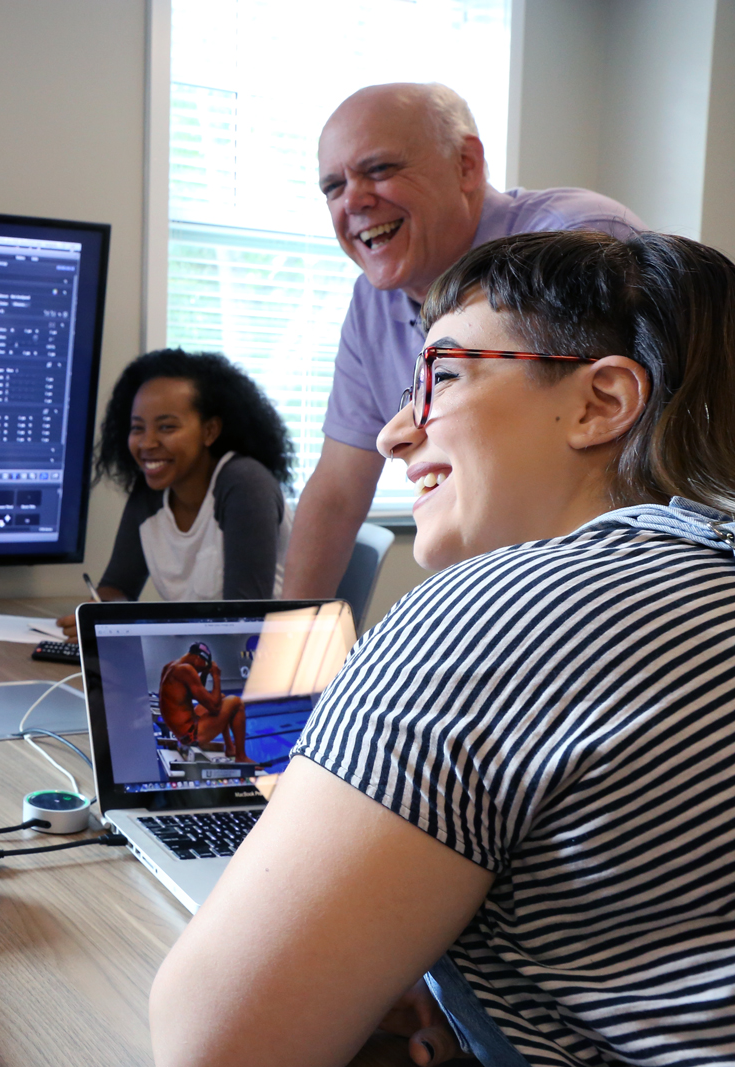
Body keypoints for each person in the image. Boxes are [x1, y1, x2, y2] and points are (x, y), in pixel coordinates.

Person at [149, 229, 735, 1067]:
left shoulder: (502, 613)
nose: (393, 433)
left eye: (444, 376)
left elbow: (210, 1042)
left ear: (602, 401)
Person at [281, 82, 645, 599]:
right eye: (333, 187)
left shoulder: (572, 244)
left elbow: (622, 471)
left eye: (379, 169)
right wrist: (279, 655)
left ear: (467, 164)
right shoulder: (370, 301)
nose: (354, 201)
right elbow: (338, 490)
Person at [57, 349, 293, 641]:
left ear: (210, 431)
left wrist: (130, 627)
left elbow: (242, 620)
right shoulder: (150, 494)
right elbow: (118, 586)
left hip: (265, 662)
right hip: (197, 653)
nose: (147, 442)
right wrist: (99, 614)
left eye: (167, 427)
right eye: (137, 428)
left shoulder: (245, 485)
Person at [158, 643, 247, 762]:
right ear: (198, 658)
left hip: (182, 732)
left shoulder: (170, 667)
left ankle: (230, 748)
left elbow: (197, 694)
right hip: (190, 736)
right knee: (236, 702)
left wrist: (204, 674)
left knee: (221, 697)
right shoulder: (186, 669)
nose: (203, 668)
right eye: (205, 664)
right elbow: (214, 707)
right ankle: (241, 757)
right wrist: (216, 676)